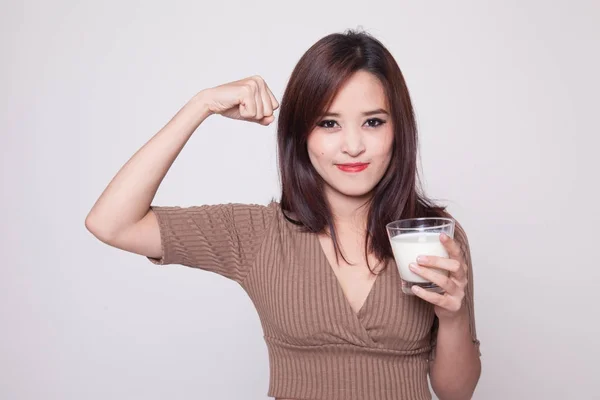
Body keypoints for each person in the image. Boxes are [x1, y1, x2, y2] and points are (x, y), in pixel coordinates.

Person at [86, 29, 481, 400]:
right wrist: (200, 105)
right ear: (300, 135)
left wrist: (454, 315)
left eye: (373, 122)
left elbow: (455, 392)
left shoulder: (434, 236)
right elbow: (111, 223)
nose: (354, 145)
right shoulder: (257, 234)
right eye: (329, 123)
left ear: (399, 130)